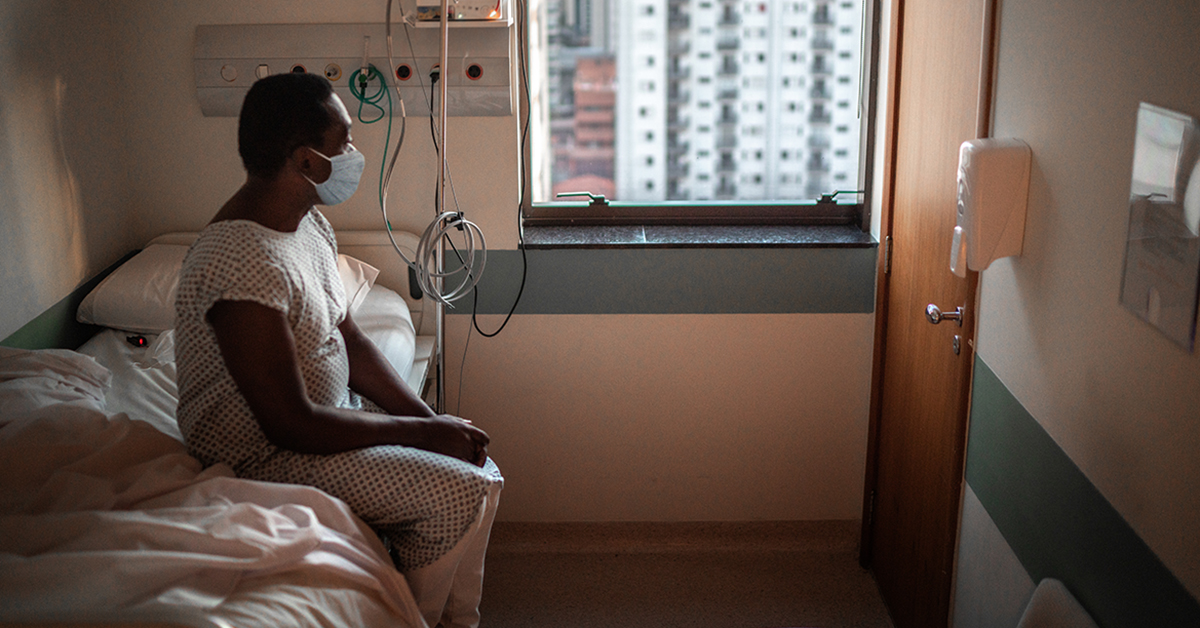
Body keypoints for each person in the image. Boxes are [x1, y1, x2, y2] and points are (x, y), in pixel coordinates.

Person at [174, 72, 502, 628]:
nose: (354, 154)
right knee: (458, 494)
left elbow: (347, 336)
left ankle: (457, 618)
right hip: (265, 457)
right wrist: (424, 435)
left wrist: (430, 420)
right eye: (343, 143)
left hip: (328, 422)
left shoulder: (308, 226)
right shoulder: (240, 261)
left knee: (479, 466)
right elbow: (289, 424)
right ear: (306, 162)